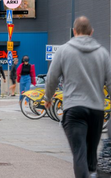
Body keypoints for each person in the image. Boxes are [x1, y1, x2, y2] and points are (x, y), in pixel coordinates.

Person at [44, 17, 111, 178]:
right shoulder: (102, 52)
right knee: (91, 153)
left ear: (74, 31)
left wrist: (48, 98)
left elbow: (52, 77)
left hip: (73, 109)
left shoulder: (64, 51)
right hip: (96, 110)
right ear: (91, 31)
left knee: (79, 152)